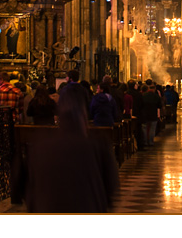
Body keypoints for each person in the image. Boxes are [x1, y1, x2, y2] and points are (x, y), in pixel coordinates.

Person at [14, 81, 119, 212]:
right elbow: (111, 186)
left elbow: (24, 187)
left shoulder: (39, 146)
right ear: (84, 110)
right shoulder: (98, 144)